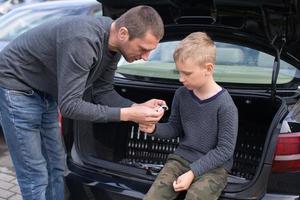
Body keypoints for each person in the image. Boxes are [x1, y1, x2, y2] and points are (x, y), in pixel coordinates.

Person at [0, 5, 165, 200]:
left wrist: (136, 107)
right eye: (143, 49)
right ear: (123, 33)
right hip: (17, 87)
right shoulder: (83, 41)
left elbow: (103, 91)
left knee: (56, 165)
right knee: (34, 172)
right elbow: (70, 106)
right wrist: (128, 115)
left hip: (45, 91)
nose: (145, 57)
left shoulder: (114, 46)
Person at [140, 32, 239, 200]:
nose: (181, 79)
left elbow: (225, 150)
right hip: (180, 160)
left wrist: (193, 172)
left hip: (214, 168)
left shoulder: (225, 105)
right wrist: (153, 129)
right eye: (179, 72)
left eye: (187, 73)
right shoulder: (182, 94)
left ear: (208, 69)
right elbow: (174, 128)